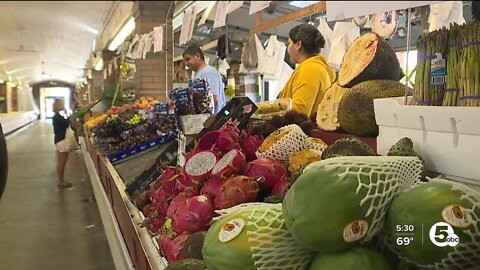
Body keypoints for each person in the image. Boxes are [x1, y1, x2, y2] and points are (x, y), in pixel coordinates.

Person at [278, 23, 336, 119]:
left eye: (289, 43)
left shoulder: (310, 69)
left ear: (298, 45)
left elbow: (298, 113)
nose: (288, 48)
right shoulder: (315, 67)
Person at [183, 45, 226, 114]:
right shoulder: (198, 74)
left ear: (198, 56)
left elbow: (214, 97)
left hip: (213, 118)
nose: (186, 64)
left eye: (188, 59)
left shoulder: (209, 72)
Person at [52, 99, 73, 188]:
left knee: (62, 161)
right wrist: (67, 113)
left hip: (60, 140)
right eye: (62, 104)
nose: (63, 105)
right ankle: (60, 181)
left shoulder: (57, 116)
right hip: (62, 140)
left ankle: (61, 180)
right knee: (61, 161)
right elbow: (67, 123)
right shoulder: (57, 117)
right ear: (58, 105)